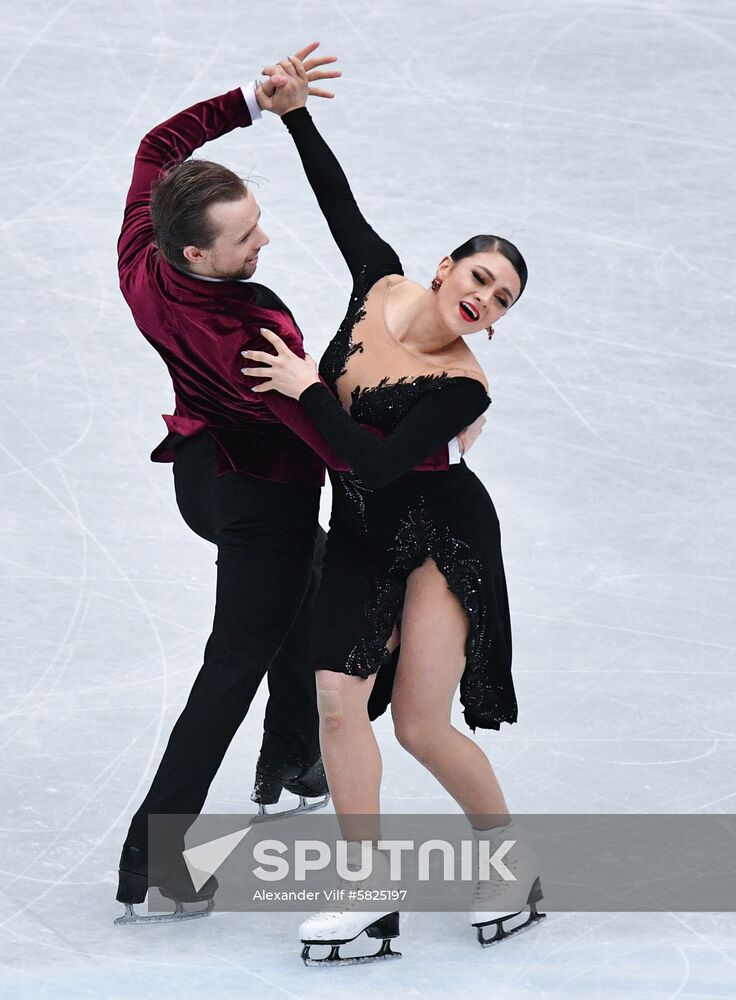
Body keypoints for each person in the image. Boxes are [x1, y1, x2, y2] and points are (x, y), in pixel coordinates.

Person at [114, 44, 476, 924]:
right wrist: (417, 422)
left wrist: (252, 99)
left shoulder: (142, 252)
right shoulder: (254, 329)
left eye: (258, 218)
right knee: (237, 659)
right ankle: (155, 863)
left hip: (199, 474)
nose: (265, 238)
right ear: (200, 252)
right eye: (246, 236)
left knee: (299, 608)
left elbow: (159, 144)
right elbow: (335, 445)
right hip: (262, 502)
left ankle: (289, 760)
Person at [240, 55, 544, 963]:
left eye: (500, 301)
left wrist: (307, 390)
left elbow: (371, 460)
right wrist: (291, 116)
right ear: (447, 264)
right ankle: (366, 892)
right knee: (338, 701)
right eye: (480, 275)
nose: (482, 298)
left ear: (493, 320)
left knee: (416, 724)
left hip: (441, 538)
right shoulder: (377, 281)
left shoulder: (462, 389)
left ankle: (511, 863)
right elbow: (339, 200)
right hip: (366, 536)